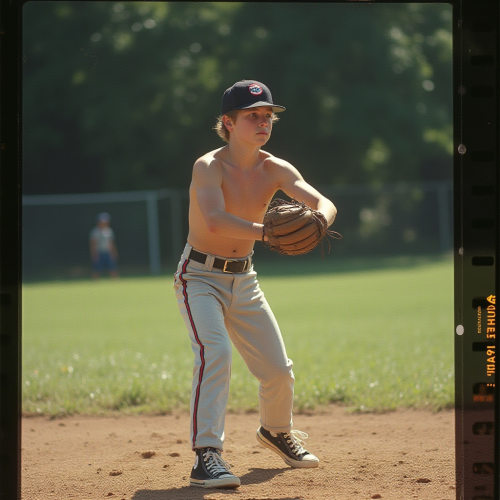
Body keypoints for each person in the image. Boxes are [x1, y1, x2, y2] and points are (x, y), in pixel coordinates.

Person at [173, 80, 337, 489]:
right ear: (228, 122)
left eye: (268, 117)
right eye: (253, 116)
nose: (263, 122)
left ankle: (276, 432)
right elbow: (213, 219)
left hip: (244, 278)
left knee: (278, 371)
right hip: (199, 276)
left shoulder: (275, 167)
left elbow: (323, 202)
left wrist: (319, 220)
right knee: (216, 353)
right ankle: (206, 455)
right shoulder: (208, 165)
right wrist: (269, 232)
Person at [89, 212, 119, 279]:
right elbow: (92, 243)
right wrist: (94, 253)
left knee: (113, 267)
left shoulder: (109, 230)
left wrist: (114, 252)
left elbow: (111, 243)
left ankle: (115, 283)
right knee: (96, 269)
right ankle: (94, 283)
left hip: (108, 252)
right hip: (99, 252)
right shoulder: (95, 231)